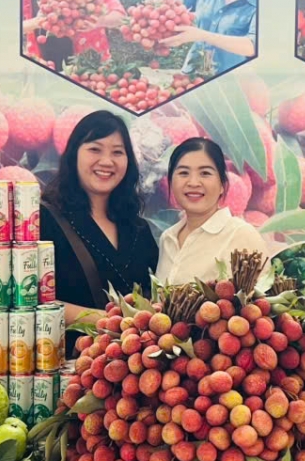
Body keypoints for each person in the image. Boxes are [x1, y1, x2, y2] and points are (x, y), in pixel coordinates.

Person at [40, 110, 160, 332]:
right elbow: (29, 302)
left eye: (117, 152)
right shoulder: (45, 219)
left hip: (134, 353)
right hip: (66, 352)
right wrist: (109, 320)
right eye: (95, 149)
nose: (106, 161)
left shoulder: (138, 229)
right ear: (74, 155)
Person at [155, 137, 268, 285]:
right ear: (171, 182)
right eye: (183, 173)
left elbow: (262, 298)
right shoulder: (167, 239)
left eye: (205, 173)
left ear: (222, 185)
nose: (193, 183)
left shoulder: (241, 236)